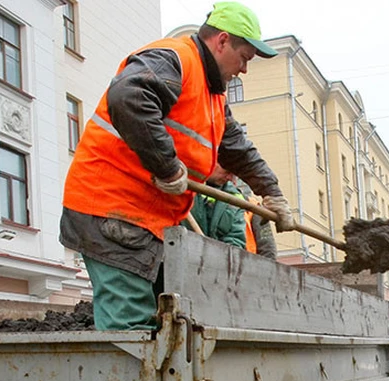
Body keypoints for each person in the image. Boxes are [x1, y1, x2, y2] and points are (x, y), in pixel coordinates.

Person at [60, 1, 296, 330]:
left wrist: (273, 193)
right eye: (244, 58)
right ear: (222, 41)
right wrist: (167, 166)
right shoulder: (173, 58)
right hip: (111, 210)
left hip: (146, 220)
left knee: (170, 321)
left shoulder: (214, 95)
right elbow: (128, 98)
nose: (244, 69)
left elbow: (238, 148)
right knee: (130, 329)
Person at [181, 165, 248, 249]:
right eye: (227, 171)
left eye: (234, 175)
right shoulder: (179, 182)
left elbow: (235, 239)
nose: (230, 178)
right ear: (212, 160)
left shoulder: (235, 198)